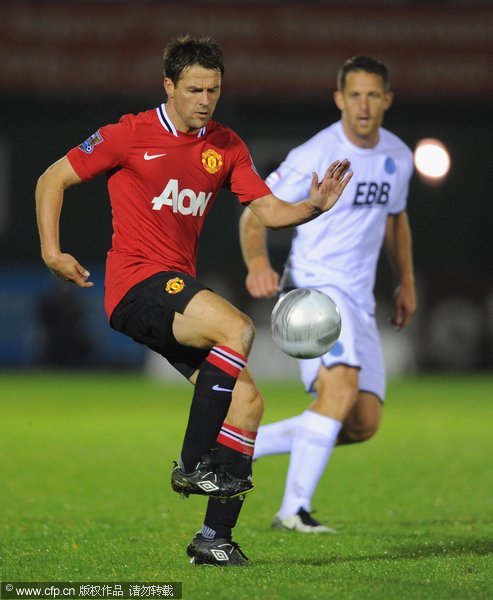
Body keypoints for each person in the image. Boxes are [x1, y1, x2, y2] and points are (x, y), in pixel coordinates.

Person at [35, 35, 352, 566]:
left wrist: (313, 206)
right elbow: (52, 179)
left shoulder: (225, 144)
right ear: (169, 86)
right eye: (195, 89)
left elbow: (268, 211)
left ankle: (214, 540)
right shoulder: (128, 134)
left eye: (214, 89)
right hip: (137, 284)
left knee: (248, 403)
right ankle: (192, 461)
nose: (205, 99)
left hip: (173, 292)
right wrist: (51, 252)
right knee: (238, 329)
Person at [240, 56, 416, 534]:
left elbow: (395, 220)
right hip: (316, 290)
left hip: (359, 299)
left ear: (387, 100)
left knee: (361, 423)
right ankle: (293, 510)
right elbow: (255, 212)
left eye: (373, 95)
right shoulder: (315, 153)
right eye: (354, 95)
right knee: (338, 391)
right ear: (339, 99)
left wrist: (407, 283)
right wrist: (258, 262)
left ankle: (236, 445)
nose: (363, 105)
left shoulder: (398, 156)